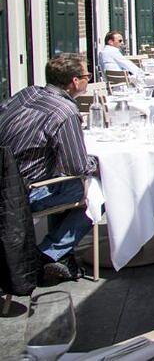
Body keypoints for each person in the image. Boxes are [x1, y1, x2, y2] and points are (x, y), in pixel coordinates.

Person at [0, 54, 97, 282]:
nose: (88, 80)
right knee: (96, 190)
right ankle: (45, 255)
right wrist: (97, 163)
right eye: (87, 76)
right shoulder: (64, 112)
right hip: (22, 194)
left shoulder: (27, 92)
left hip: (6, 182)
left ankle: (63, 255)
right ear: (75, 81)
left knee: (67, 184)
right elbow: (76, 166)